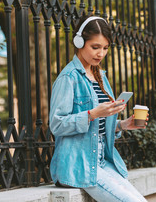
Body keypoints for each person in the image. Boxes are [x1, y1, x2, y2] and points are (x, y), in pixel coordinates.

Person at [49, 15, 148, 202]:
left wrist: (123, 125)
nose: (100, 54)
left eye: (105, 48)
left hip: (102, 160)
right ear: (79, 42)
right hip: (79, 164)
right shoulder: (68, 78)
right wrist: (92, 114)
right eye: (95, 47)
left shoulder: (100, 77)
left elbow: (99, 125)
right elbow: (57, 124)